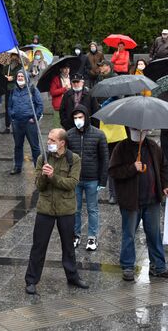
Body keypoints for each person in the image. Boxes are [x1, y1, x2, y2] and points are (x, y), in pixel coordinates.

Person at [25, 129, 89, 295]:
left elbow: (72, 184)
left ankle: (72, 276)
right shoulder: (42, 158)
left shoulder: (73, 159)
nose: (49, 143)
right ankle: (31, 280)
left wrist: (53, 176)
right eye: (48, 139)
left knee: (68, 246)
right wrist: (44, 177)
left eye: (53, 140)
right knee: (38, 246)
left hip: (65, 209)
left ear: (62, 142)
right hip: (45, 208)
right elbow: (39, 186)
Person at [108, 128, 168, 282]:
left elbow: (163, 166)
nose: (141, 132)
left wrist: (166, 184)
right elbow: (113, 171)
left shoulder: (153, 146)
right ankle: (127, 266)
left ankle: (158, 266)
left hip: (152, 200)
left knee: (154, 234)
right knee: (129, 234)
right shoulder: (121, 148)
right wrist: (132, 168)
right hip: (131, 200)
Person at [67, 106, 109, 250]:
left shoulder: (99, 134)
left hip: (92, 179)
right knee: (75, 209)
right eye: (75, 118)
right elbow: (67, 158)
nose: (78, 120)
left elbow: (105, 158)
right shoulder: (69, 135)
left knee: (92, 209)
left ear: (86, 117)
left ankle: (92, 237)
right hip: (75, 179)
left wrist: (103, 180)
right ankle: (75, 235)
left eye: (80, 117)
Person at [8, 70, 43, 175]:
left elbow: (40, 105)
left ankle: (38, 167)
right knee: (18, 146)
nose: (19, 78)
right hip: (17, 122)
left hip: (30, 122)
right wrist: (12, 117)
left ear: (27, 77)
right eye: (18, 76)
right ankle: (17, 166)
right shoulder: (13, 90)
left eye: (22, 76)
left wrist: (35, 117)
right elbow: (9, 105)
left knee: (34, 146)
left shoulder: (32, 89)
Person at [0, 53, 22, 134]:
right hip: (8, 90)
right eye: (12, 57)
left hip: (17, 90)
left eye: (16, 57)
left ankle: (17, 126)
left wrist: (13, 78)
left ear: (18, 58)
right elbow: (2, 76)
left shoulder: (20, 67)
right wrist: (6, 77)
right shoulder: (7, 67)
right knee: (8, 108)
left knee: (16, 107)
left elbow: (22, 76)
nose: (14, 59)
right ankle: (7, 127)